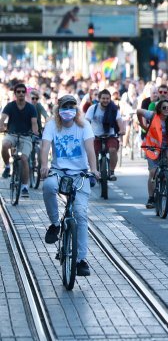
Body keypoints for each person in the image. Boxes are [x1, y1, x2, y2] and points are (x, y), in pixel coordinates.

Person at [39, 94, 101, 277]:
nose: (68, 111)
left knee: (81, 214)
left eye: (71, 107)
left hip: (79, 174)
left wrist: (94, 169)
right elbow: (45, 147)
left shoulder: (84, 125)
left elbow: (90, 148)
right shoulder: (52, 125)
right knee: (48, 186)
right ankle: (55, 224)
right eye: (65, 107)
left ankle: (81, 260)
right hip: (58, 172)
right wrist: (44, 165)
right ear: (59, 109)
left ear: (76, 110)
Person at [138, 99, 168, 208]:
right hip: (153, 147)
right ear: (159, 108)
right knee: (153, 173)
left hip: (167, 147)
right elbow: (139, 111)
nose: (166, 110)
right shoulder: (153, 115)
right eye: (164, 107)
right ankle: (151, 198)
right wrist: (143, 126)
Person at [1, 83, 39, 198]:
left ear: (25, 93)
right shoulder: (10, 106)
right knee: (4, 144)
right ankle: (7, 166)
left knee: (24, 158)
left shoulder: (31, 108)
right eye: (18, 92)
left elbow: (34, 123)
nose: (21, 93)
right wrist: (1, 126)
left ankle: (25, 186)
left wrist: (35, 133)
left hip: (26, 136)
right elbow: (2, 118)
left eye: (23, 91)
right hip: (12, 134)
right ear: (15, 94)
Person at [86, 89, 125, 180]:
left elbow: (119, 121)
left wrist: (122, 130)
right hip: (95, 135)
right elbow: (86, 121)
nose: (105, 100)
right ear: (99, 99)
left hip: (110, 135)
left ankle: (111, 172)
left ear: (110, 99)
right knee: (93, 152)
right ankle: (94, 171)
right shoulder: (93, 108)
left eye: (107, 98)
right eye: (103, 98)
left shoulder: (114, 109)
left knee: (112, 150)